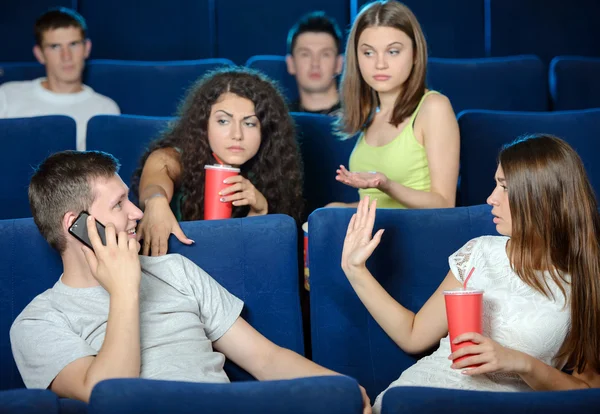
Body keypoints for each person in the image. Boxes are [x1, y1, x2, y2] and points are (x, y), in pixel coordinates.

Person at [10, 150, 370, 412]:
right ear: (76, 224)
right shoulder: (38, 321)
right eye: (119, 204)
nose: (137, 212)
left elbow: (267, 359)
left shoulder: (174, 270)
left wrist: (341, 389)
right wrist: (124, 290)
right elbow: (109, 393)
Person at [341, 134, 600, 413]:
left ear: (542, 197)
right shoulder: (479, 251)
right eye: (495, 184)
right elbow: (413, 335)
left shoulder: (585, 280)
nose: (491, 198)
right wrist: (355, 270)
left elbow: (587, 393)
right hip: (418, 397)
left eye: (505, 187)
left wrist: (521, 363)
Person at [131, 67, 304, 256]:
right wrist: (156, 202)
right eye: (223, 121)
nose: (237, 135)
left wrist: (259, 213)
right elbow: (154, 184)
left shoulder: (272, 172)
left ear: (265, 131)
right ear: (204, 125)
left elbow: (251, 261)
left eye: (249, 123)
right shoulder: (171, 158)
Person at [330, 1, 459, 209]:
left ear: (415, 54)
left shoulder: (434, 107)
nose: (380, 64)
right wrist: (343, 209)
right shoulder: (371, 115)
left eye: (393, 52)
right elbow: (379, 205)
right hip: (373, 236)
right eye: (369, 53)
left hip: (420, 236)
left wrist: (386, 184)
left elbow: (444, 204)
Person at [0, 8, 120, 151]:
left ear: (87, 48)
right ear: (40, 54)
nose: (66, 56)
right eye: (55, 46)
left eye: (73, 44)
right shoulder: (7, 94)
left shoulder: (105, 110)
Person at [286, 11, 343, 116]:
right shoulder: (279, 119)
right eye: (305, 54)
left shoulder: (360, 117)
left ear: (339, 64)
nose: (315, 64)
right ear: (291, 64)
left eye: (325, 54)